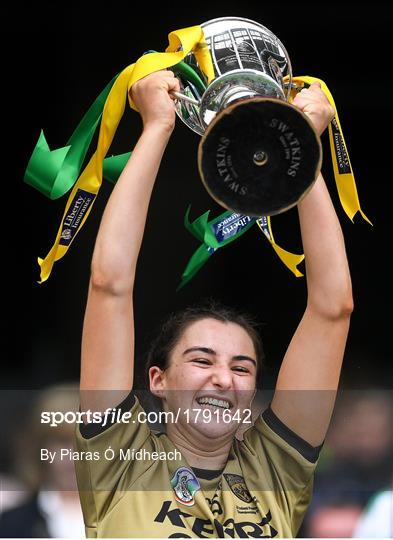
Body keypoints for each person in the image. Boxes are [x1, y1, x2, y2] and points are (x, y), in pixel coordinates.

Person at [74, 70, 353, 538]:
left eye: (242, 368)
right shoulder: (119, 460)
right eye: (202, 360)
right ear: (157, 380)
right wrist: (157, 128)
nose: (224, 378)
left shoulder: (276, 473)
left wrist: (301, 150)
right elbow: (109, 284)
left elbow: (333, 309)